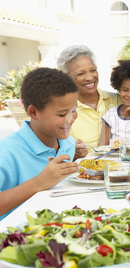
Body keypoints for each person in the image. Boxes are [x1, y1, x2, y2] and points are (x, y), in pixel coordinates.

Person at [0, 68, 79, 220]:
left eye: (74, 110)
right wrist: (38, 183)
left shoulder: (68, 143)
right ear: (34, 112)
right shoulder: (6, 154)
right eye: (62, 114)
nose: (71, 119)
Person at [57, 45, 121, 149]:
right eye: (80, 73)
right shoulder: (63, 112)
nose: (90, 77)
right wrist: (74, 154)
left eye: (92, 70)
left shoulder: (119, 100)